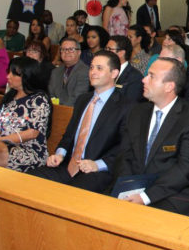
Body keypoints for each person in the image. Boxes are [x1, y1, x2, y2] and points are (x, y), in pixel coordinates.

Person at [116, 57, 189, 218]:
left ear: (169, 86)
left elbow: (184, 171)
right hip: (135, 188)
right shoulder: (137, 112)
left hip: (170, 193)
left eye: (151, 76)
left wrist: (145, 197)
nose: (143, 79)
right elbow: (125, 155)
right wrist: (127, 188)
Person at [29, 51, 133, 192]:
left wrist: (98, 164)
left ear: (114, 73)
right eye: (91, 67)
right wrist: (59, 154)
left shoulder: (126, 106)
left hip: (96, 171)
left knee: (71, 194)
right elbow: (69, 135)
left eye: (99, 68)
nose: (93, 72)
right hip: (68, 165)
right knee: (30, 179)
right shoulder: (83, 100)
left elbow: (124, 149)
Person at [0, 57, 51, 172]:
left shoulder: (39, 99)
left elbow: (32, 133)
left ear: (27, 76)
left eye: (14, 74)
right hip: (4, 145)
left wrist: (0, 140)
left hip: (28, 151)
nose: (8, 76)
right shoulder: (9, 97)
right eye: (9, 72)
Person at [159, 45, 189, 111]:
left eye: (164, 60)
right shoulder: (158, 78)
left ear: (178, 61)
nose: (159, 64)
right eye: (159, 60)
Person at [48, 38, 90, 106]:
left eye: (71, 49)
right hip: (54, 109)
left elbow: (78, 97)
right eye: (63, 49)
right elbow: (51, 94)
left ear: (79, 52)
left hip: (72, 111)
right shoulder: (55, 71)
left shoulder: (85, 71)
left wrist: (61, 110)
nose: (67, 52)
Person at [106, 35, 144, 102]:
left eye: (109, 49)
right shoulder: (104, 71)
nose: (106, 52)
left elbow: (130, 104)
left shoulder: (135, 77)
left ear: (121, 53)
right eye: (106, 49)